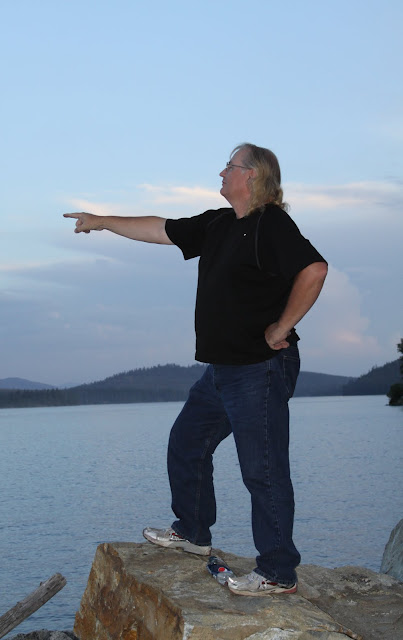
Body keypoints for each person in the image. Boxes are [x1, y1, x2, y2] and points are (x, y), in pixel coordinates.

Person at [64, 143, 328, 596]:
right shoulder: (218, 224)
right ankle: (192, 533)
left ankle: (277, 571)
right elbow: (159, 228)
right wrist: (103, 221)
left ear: (253, 176)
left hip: (260, 369)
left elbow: (315, 270)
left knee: (262, 470)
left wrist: (281, 327)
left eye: (230, 166)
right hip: (222, 371)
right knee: (187, 442)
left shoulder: (271, 224)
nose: (222, 172)